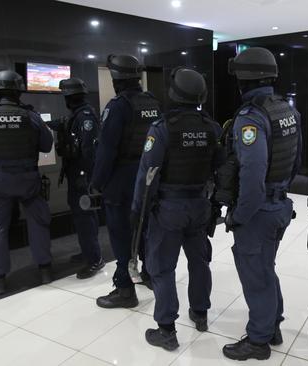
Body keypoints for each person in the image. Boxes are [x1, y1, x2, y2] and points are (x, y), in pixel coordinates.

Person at [217, 47, 302, 361]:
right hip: (279, 205)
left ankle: (258, 341)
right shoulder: (287, 110)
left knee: (256, 276)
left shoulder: (250, 118)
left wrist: (239, 215)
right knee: (266, 269)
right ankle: (273, 325)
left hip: (258, 211)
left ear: (244, 78)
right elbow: (296, 161)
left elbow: (252, 175)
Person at [133, 67, 223, 351]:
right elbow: (221, 169)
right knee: (199, 262)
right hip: (200, 205)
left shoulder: (162, 128)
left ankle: (167, 330)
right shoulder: (212, 127)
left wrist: (139, 211)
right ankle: (200, 313)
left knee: (162, 267)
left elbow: (147, 175)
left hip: (169, 208)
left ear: (173, 93)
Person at [0, 70, 54, 295]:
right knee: (38, 223)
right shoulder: (31, 116)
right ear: (18, 91)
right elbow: (46, 145)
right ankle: (44, 270)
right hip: (28, 179)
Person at [91, 54, 161, 308]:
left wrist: (96, 183)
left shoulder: (118, 106)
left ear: (116, 78)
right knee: (145, 231)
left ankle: (124, 290)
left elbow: (107, 150)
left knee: (121, 235)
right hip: (148, 178)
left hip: (121, 180)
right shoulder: (152, 102)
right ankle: (150, 274)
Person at [46, 78, 104, 279]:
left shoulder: (85, 117)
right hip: (78, 175)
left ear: (70, 97)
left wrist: (88, 178)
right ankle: (88, 252)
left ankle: (94, 259)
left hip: (82, 176)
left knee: (85, 218)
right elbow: (61, 125)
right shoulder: (76, 115)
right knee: (84, 217)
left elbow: (89, 151)